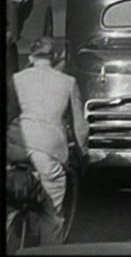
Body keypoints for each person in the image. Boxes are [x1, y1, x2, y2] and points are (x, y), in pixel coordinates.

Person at [6, 37, 89, 245]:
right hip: (48, 150)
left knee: (11, 197)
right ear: (54, 57)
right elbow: (79, 127)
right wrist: (83, 152)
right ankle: (49, 249)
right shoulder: (68, 82)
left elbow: (9, 113)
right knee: (51, 214)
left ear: (32, 57)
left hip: (15, 145)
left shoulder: (16, 79)